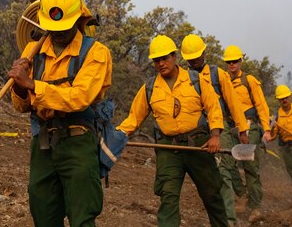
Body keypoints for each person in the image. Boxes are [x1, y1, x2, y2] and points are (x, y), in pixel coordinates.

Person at [9, 0, 112, 227]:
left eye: (64, 27)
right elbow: (21, 107)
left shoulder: (96, 53)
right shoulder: (32, 53)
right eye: (53, 27)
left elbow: (79, 97)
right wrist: (19, 87)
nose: (59, 32)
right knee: (42, 212)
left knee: (82, 216)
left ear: (78, 20)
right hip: (43, 144)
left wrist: (33, 85)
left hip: (78, 142)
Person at [117, 35, 228, 227]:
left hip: (199, 145)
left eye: (164, 58)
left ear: (174, 57)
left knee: (212, 195)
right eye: (156, 60)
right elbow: (134, 118)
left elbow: (213, 108)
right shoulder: (150, 88)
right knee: (168, 198)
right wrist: (117, 135)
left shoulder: (196, 81)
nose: (160, 63)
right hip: (168, 148)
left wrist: (215, 136)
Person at [181, 34, 249, 227]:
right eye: (190, 57)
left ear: (204, 52)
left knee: (224, 172)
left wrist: (242, 130)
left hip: (220, 129)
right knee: (210, 174)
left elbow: (234, 103)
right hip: (196, 131)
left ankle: (228, 220)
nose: (194, 60)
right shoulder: (183, 77)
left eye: (197, 56)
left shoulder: (217, 74)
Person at [223, 45, 272, 223]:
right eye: (229, 62)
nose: (232, 64)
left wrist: (266, 129)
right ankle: (242, 194)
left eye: (234, 61)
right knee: (226, 163)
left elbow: (261, 105)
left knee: (249, 166)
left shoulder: (249, 80)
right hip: (230, 126)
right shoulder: (224, 81)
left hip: (249, 126)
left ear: (241, 61)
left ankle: (256, 207)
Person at [271, 85, 292, 179]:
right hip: (286, 147)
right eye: (281, 98)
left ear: (290, 97)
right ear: (278, 100)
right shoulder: (276, 116)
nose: (284, 100)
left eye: (286, 98)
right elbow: (273, 136)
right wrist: (271, 127)